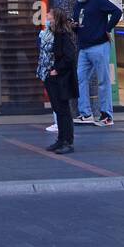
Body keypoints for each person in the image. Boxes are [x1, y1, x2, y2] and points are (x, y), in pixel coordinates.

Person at [72, 0, 122, 127]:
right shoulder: (77, 5)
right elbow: (78, 24)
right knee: (80, 79)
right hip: (84, 47)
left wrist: (107, 29)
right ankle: (85, 113)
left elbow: (117, 12)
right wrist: (74, 26)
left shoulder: (98, 1)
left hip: (99, 45)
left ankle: (106, 115)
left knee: (103, 81)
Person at [41, 8, 79, 154]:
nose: (47, 18)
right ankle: (61, 139)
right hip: (52, 76)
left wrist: (57, 69)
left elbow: (69, 57)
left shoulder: (63, 35)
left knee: (63, 110)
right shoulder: (52, 34)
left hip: (61, 78)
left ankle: (68, 141)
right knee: (58, 109)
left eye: (49, 16)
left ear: (55, 19)